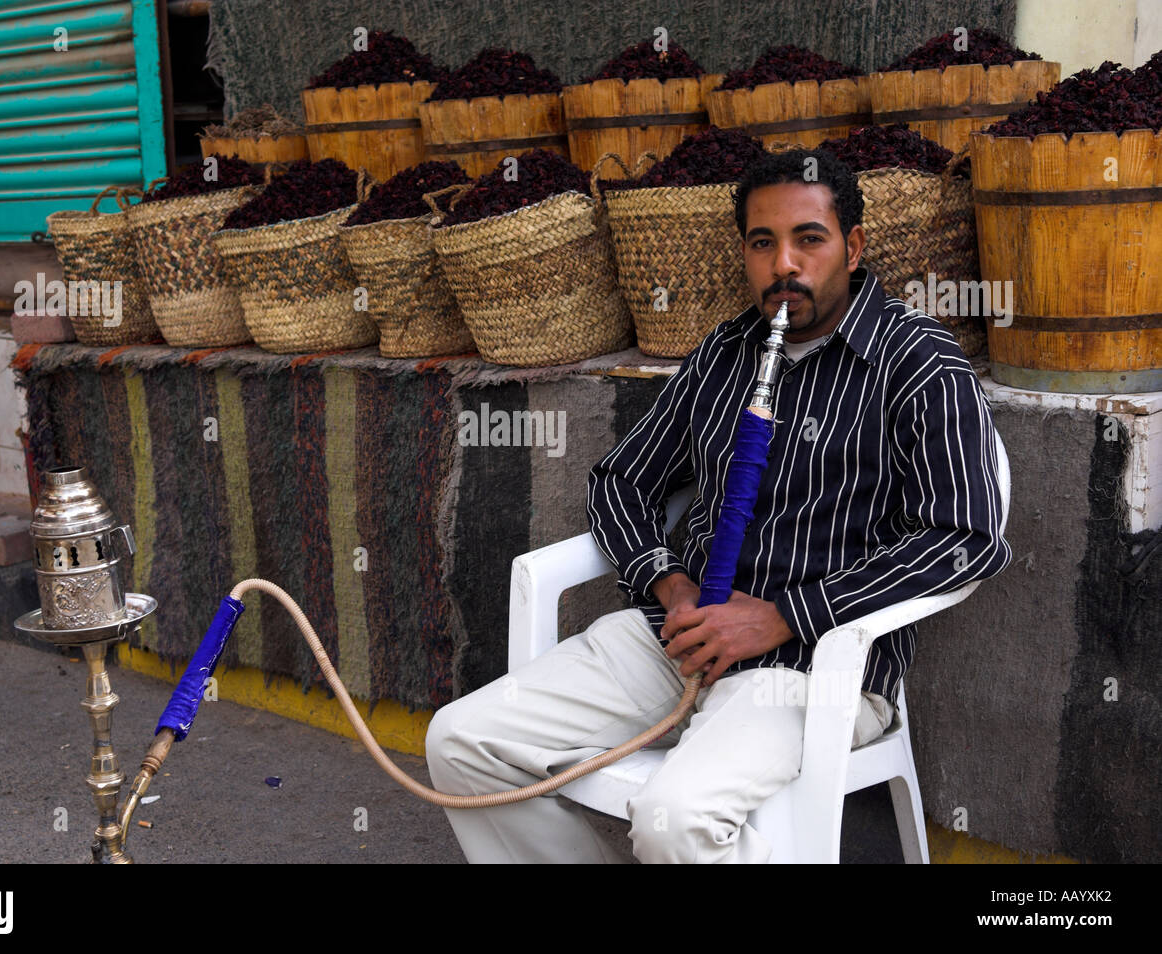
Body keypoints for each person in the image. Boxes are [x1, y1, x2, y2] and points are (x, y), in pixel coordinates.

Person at [425, 148, 1012, 863]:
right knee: (460, 743)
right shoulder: (725, 353)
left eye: (809, 239)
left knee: (675, 820)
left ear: (853, 248)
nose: (783, 265)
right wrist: (669, 586)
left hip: (811, 667)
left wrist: (781, 617)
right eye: (763, 243)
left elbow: (965, 538)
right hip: (681, 638)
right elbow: (621, 481)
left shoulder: (917, 360)